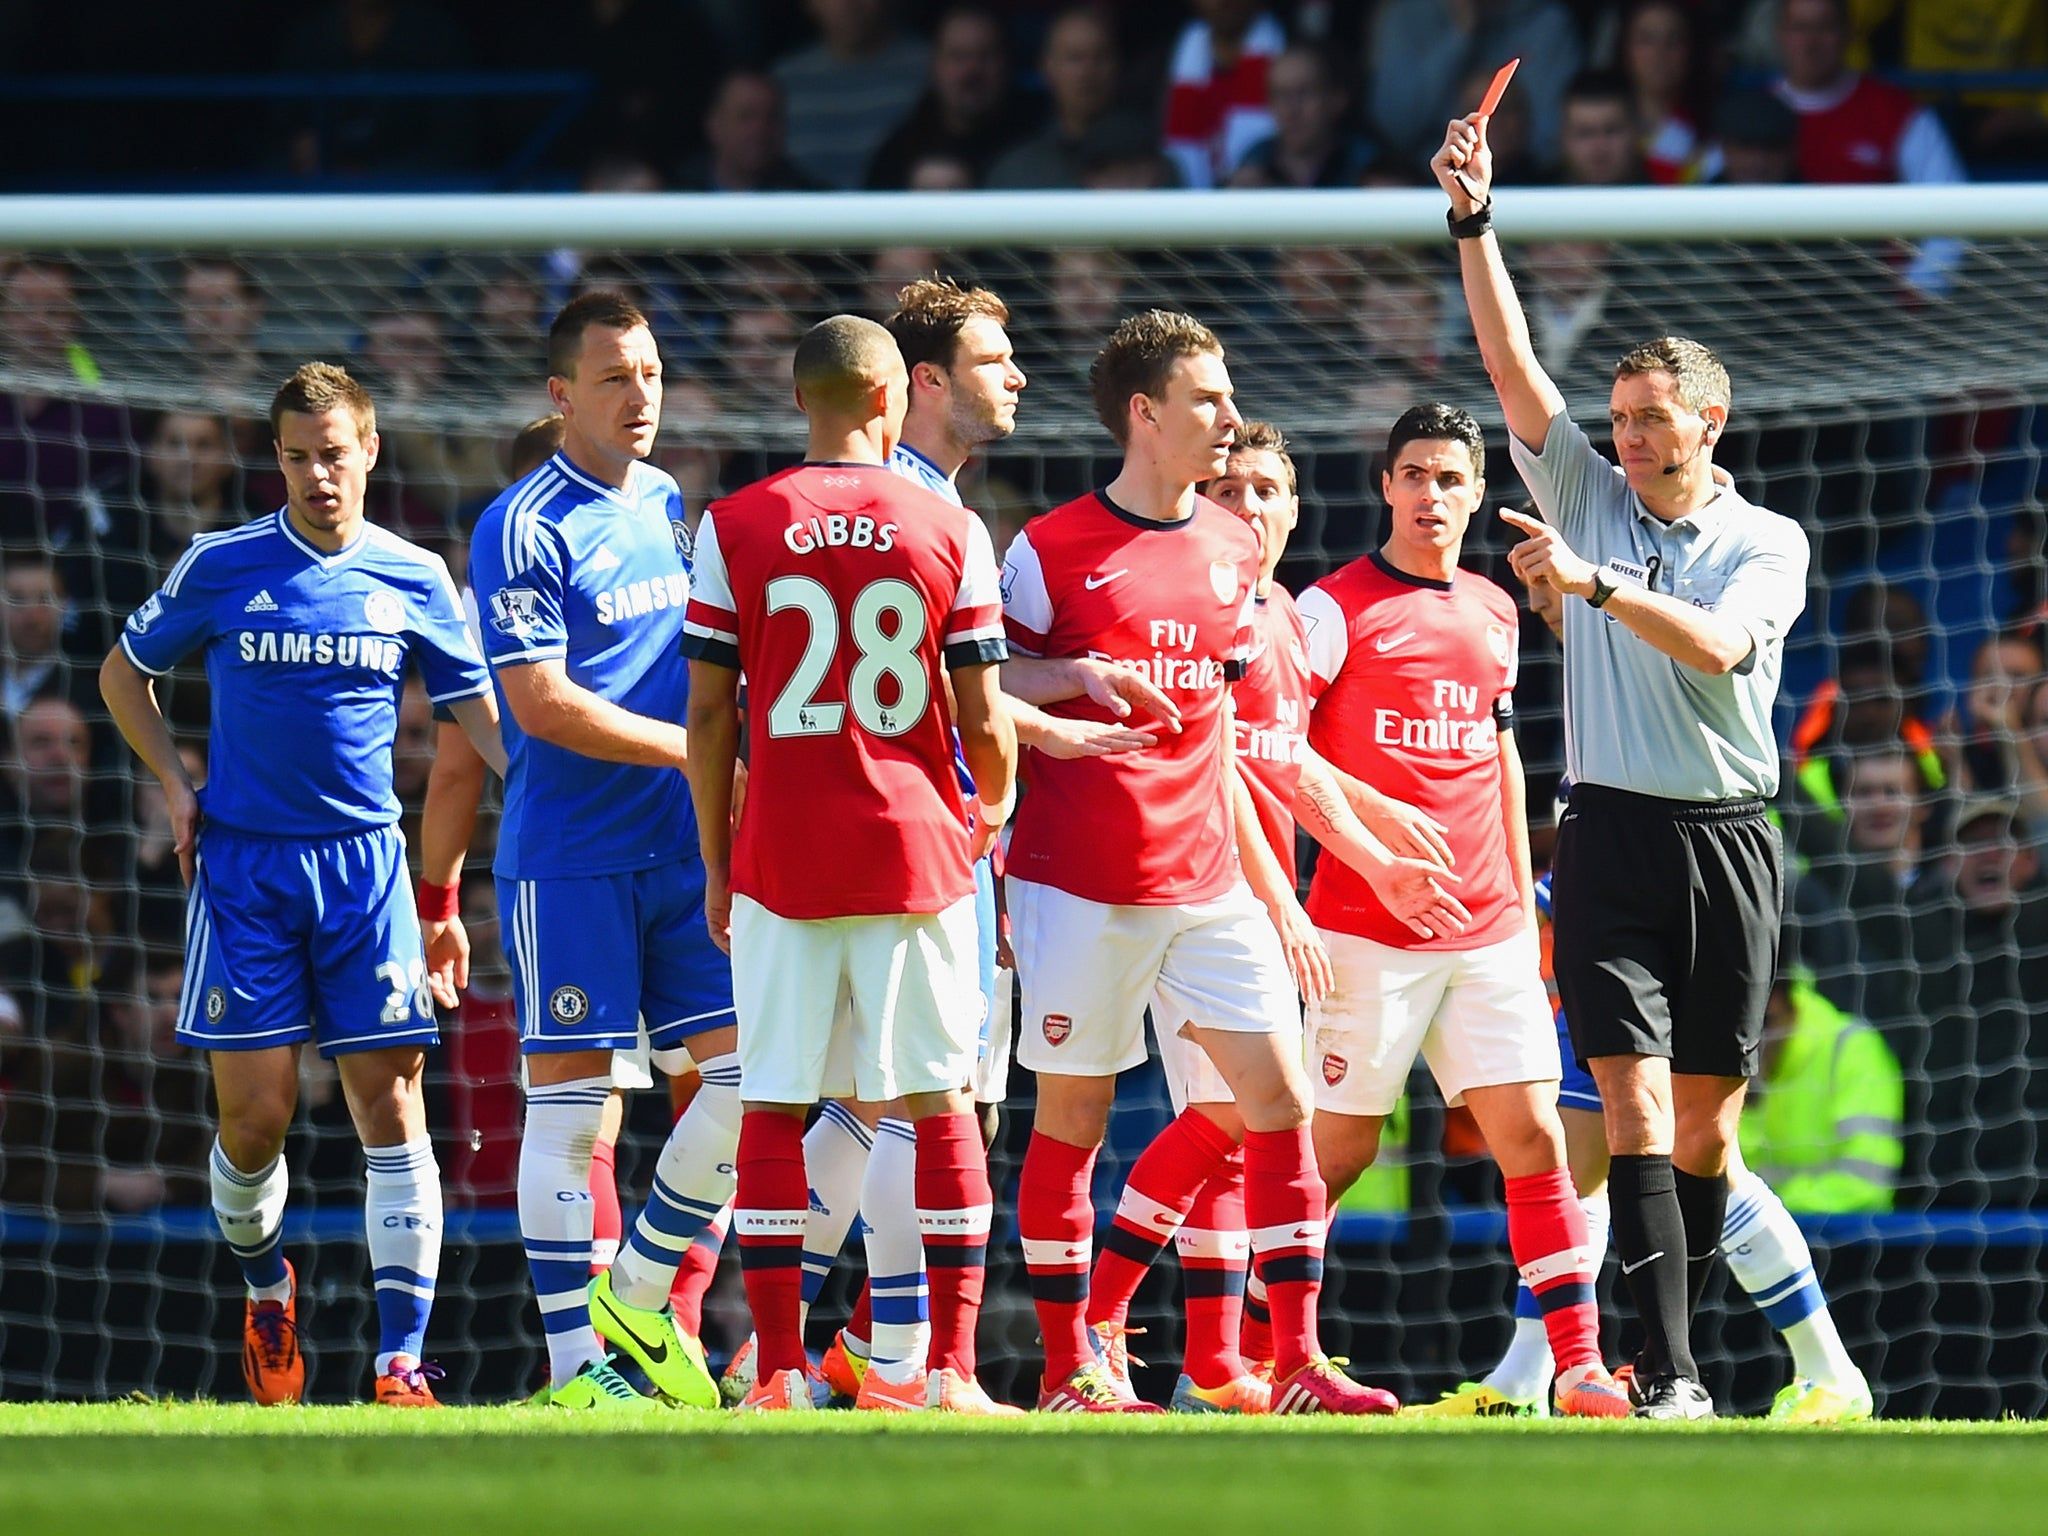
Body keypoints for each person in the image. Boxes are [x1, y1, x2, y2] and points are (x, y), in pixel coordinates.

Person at [1435, 110, 1812, 1419]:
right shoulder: (1586, 491)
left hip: (1729, 837)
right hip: (1606, 834)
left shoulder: (1767, 542)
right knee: (1634, 1107)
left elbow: (1717, 650)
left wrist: (1593, 587)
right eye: (1620, 420)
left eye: (1653, 419)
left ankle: (1707, 1354)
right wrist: (1473, 220)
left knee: (1707, 1128)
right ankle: (1667, 1373)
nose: (1632, 438)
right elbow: (1510, 364)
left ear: (1710, 420)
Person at [999, 309, 1393, 1415]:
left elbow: (1223, 733)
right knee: (1073, 1121)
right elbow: (978, 684)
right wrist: (1075, 678)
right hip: (1079, 879)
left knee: (1278, 1103)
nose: (1228, 415)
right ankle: (1070, 1370)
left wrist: (1272, 882)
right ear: (1144, 412)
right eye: (1207, 398)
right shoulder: (1047, 548)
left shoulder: (1232, 551)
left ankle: (1295, 1364)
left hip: (1208, 878)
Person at [96, 361, 505, 1409]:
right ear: (276, 461)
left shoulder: (416, 574)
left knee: (392, 1106)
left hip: (366, 870)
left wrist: (553, 801)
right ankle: (265, 1287)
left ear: (369, 450)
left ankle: (400, 1362)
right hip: (245, 872)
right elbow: (122, 674)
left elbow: (481, 719)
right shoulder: (222, 563)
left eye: (333, 454)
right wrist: (176, 784)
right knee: (255, 1121)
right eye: (296, 458)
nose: (318, 475)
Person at [1084, 418, 1477, 1414]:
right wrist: (1283, 902)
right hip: (1193, 897)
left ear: (1296, 510)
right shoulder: (1199, 608)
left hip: (1251, 900)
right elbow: (1215, 771)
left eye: (1266, 491)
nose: (1247, 508)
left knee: (1239, 1124)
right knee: (1235, 1115)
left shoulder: (1284, 617)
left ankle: (1218, 1365)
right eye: (1229, 491)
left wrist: (1375, 833)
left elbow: (1285, 760)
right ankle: (1117, 1328)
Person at [681, 314, 1019, 1414]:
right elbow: (982, 711)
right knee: (939, 1101)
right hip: (913, 852)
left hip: (782, 854)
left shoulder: (733, 524)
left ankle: (777, 1369)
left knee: (775, 1102)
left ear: (800, 399)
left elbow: (707, 716)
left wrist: (717, 861)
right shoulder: (950, 526)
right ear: (891, 397)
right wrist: (993, 804)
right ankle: (948, 1371)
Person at [1293, 403, 1627, 1420]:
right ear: (1384, 487)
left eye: (1448, 478)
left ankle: (1576, 1367)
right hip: (1365, 928)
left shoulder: (1493, 609)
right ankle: (1273, 1355)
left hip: (1487, 933)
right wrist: (1374, 856)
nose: (1429, 495)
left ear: (1478, 492)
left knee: (1533, 1138)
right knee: (1335, 1155)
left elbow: (1499, 761)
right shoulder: (1329, 608)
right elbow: (1277, 752)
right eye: (1413, 475)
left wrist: (1524, 908)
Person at [456, 291, 739, 1413]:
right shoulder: (519, 524)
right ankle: (579, 1372)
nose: (640, 394)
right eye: (615, 376)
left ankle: (635, 1290)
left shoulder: (666, 500)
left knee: (748, 1081)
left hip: (682, 853)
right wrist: (695, 754)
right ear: (561, 392)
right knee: (572, 1117)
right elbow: (539, 704)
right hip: (571, 861)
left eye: (651, 372)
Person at [1454, 858, 1879, 1423]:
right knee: (1583, 1169)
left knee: (1700, 1158)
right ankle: (1527, 1375)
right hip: (1616, 914)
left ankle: (1824, 1369)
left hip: (1644, 912)